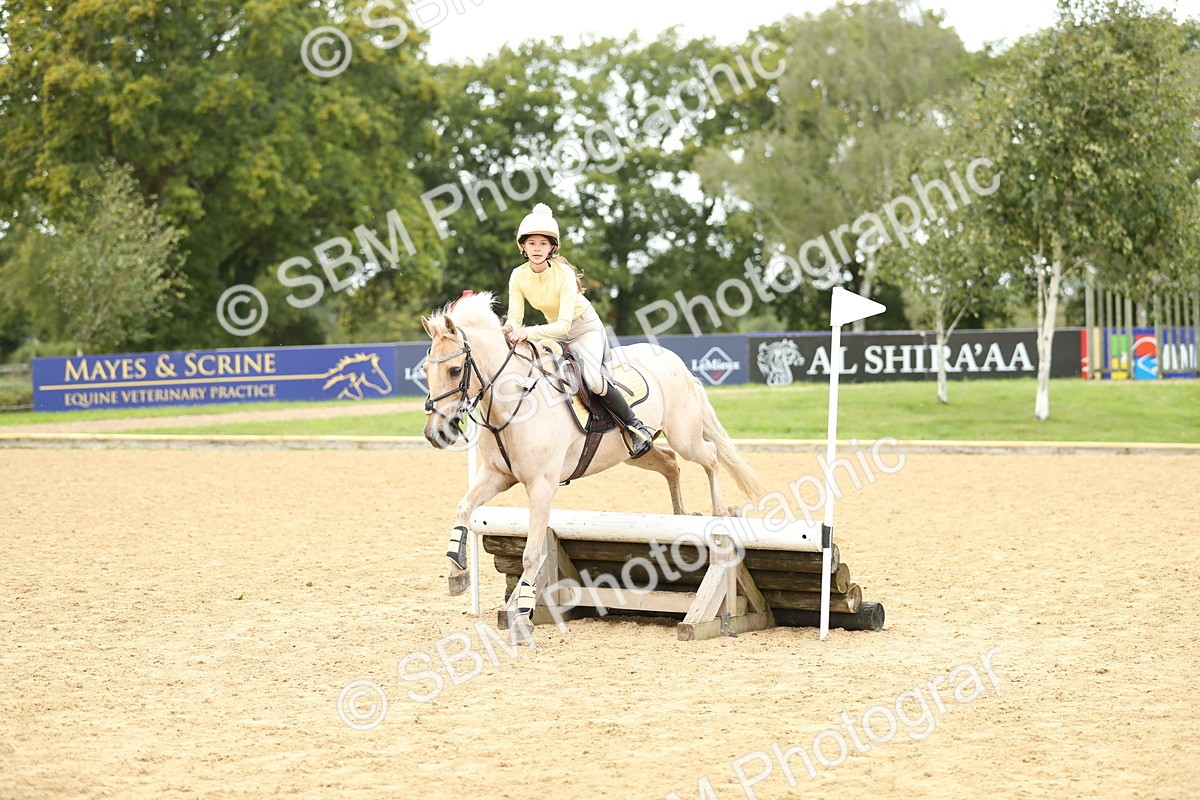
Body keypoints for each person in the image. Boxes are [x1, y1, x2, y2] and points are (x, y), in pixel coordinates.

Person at [502, 203, 656, 459]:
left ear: (553, 247)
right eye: (531, 244)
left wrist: (526, 333)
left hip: (584, 328)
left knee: (593, 380)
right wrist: (503, 331)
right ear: (522, 247)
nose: (537, 248)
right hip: (554, 333)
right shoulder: (517, 276)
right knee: (537, 372)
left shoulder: (562, 274)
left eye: (543, 243)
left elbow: (563, 325)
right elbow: (515, 320)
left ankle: (634, 426)